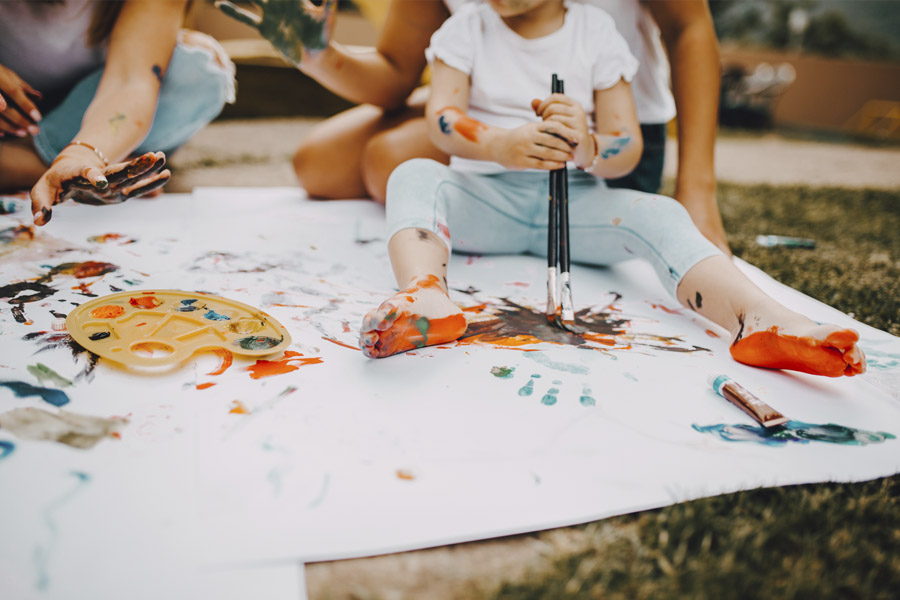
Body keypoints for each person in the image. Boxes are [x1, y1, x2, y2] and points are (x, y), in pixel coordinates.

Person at [357, 0, 864, 380]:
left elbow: (627, 146)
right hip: (488, 200)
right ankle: (425, 295)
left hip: (580, 205)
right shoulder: (463, 28)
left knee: (661, 213)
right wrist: (499, 144)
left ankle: (760, 320)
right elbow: (443, 119)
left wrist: (588, 143)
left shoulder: (595, 33)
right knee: (413, 174)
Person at [216, 0, 729, 255]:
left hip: (597, 137)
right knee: (317, 164)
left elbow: (690, 29)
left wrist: (697, 192)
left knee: (386, 160)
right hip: (488, 104)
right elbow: (396, 71)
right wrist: (316, 54)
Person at [0, 0, 236, 226]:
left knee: (198, 68)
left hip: (88, 117)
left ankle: (26, 164)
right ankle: (33, 168)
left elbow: (132, 81)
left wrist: (83, 156)